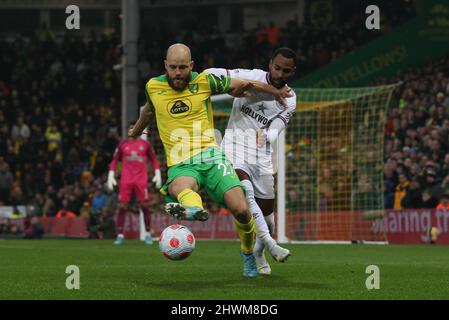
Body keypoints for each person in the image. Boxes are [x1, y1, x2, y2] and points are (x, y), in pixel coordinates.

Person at [129, 43, 292, 277]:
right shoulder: (153, 86)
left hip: (213, 158)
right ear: (165, 65)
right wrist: (136, 131)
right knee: (180, 185)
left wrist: (274, 91)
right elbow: (149, 110)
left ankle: (247, 253)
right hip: (181, 162)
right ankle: (194, 209)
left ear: (191, 66)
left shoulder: (205, 81)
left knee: (242, 211)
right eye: (173, 67)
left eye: (182, 67)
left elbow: (243, 84)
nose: (177, 73)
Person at [205, 47, 297, 275]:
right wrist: (236, 83)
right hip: (234, 147)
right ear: (270, 64)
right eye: (277, 68)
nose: (280, 74)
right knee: (245, 191)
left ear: (292, 72)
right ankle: (271, 245)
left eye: (286, 71)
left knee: (269, 218)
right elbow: (210, 72)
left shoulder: (290, 98)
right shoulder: (251, 76)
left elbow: (278, 126)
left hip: (261, 155)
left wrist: (266, 134)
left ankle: (258, 251)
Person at [107, 122, 162, 245]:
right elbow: (114, 160)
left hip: (141, 180)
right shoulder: (123, 144)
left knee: (144, 206)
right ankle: (120, 235)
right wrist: (111, 175)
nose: (132, 130)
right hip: (126, 180)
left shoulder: (145, 144)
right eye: (130, 128)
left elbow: (154, 159)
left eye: (135, 128)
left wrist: (157, 173)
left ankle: (147, 234)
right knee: (122, 207)